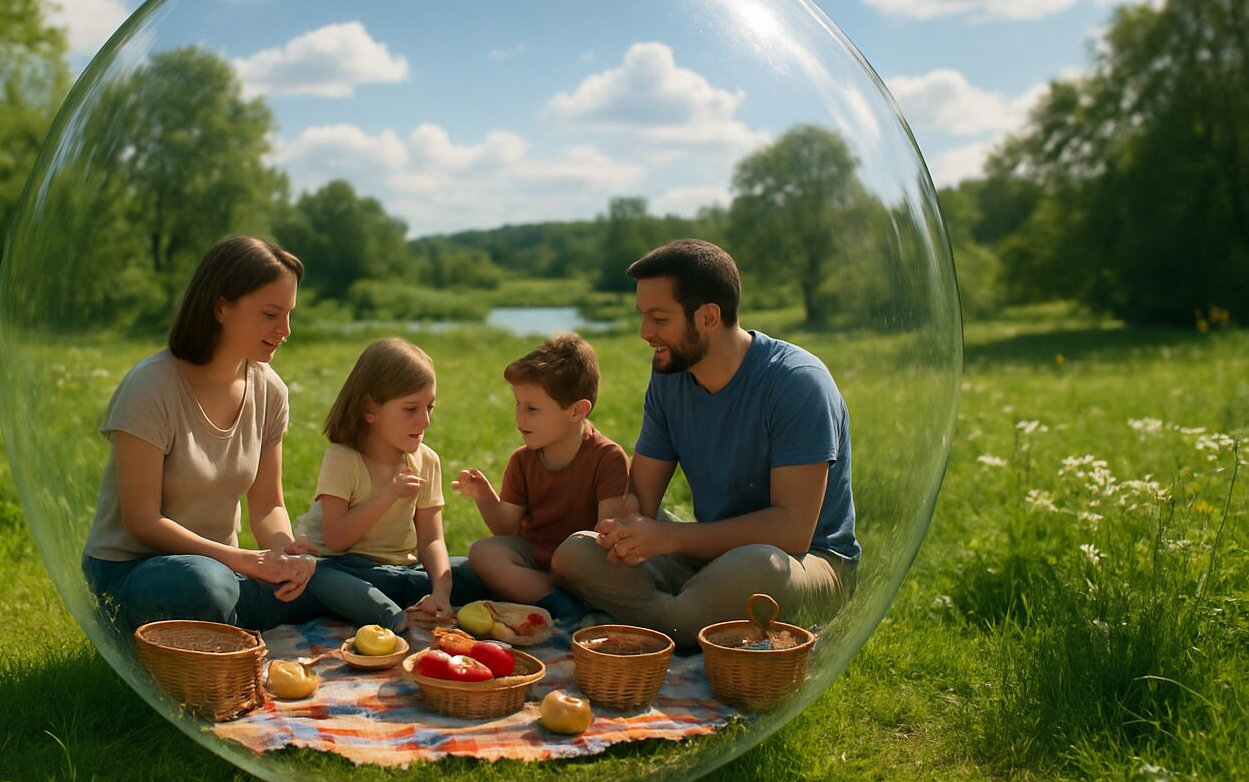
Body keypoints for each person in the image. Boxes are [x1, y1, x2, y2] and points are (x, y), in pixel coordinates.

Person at [553, 238, 860, 649]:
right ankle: (686, 620)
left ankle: (659, 623)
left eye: (659, 319)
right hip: (709, 555)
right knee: (576, 554)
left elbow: (792, 531)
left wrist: (669, 538)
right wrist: (622, 528)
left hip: (804, 563)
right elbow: (642, 495)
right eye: (644, 317)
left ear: (709, 317)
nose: (646, 333)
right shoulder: (669, 375)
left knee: (755, 568)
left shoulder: (797, 383)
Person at [81, 235, 321, 636]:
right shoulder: (151, 386)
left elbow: (267, 505)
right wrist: (242, 561)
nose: (286, 329)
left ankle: (232, 620)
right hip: (135, 568)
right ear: (221, 306)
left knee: (326, 578)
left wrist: (286, 552)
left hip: (226, 566)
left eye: (289, 314)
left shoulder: (269, 389)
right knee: (206, 587)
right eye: (270, 314)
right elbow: (142, 520)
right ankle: (211, 623)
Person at [293, 337, 480, 630]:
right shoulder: (343, 457)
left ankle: (397, 606)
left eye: (430, 407)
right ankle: (393, 618)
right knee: (314, 573)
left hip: (402, 572)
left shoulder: (427, 460)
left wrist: (441, 592)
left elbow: (431, 539)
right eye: (411, 409)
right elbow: (337, 539)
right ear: (370, 410)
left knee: (475, 572)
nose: (425, 421)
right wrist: (389, 494)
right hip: (344, 568)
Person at [451, 332, 631, 627]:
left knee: (590, 561)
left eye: (532, 408)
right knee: (482, 552)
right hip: (536, 559)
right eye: (517, 404)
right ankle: (555, 601)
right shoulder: (523, 460)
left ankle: (544, 596)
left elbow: (606, 537)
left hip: (581, 565)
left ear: (576, 411)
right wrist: (484, 496)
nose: (519, 417)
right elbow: (505, 528)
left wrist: (574, 567)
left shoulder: (607, 457)